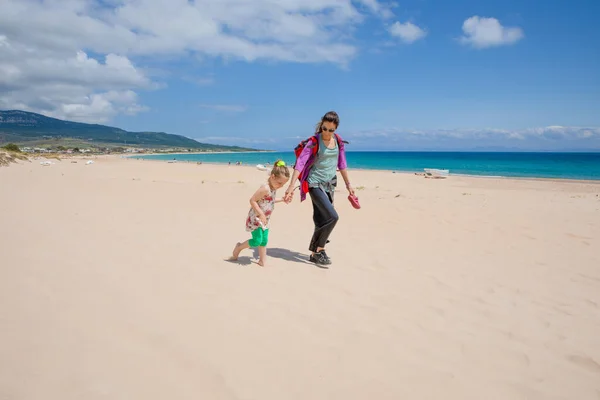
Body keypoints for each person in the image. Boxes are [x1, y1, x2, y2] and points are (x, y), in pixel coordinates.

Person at [283, 111, 355, 266]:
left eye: (331, 130)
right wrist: (290, 186)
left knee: (322, 219)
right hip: (314, 183)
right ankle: (319, 249)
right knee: (332, 216)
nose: (327, 133)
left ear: (336, 129)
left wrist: (349, 185)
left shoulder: (339, 142)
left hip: (330, 184)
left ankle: (315, 253)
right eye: (325, 129)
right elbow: (300, 163)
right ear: (321, 125)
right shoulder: (314, 141)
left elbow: (342, 164)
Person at [231, 160, 291, 266]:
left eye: (283, 184)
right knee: (257, 241)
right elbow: (252, 200)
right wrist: (261, 214)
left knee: (264, 240)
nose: (281, 186)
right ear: (273, 176)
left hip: (265, 220)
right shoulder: (265, 188)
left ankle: (262, 261)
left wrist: (282, 200)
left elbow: (270, 200)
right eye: (280, 183)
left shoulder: (273, 187)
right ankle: (239, 247)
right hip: (256, 218)